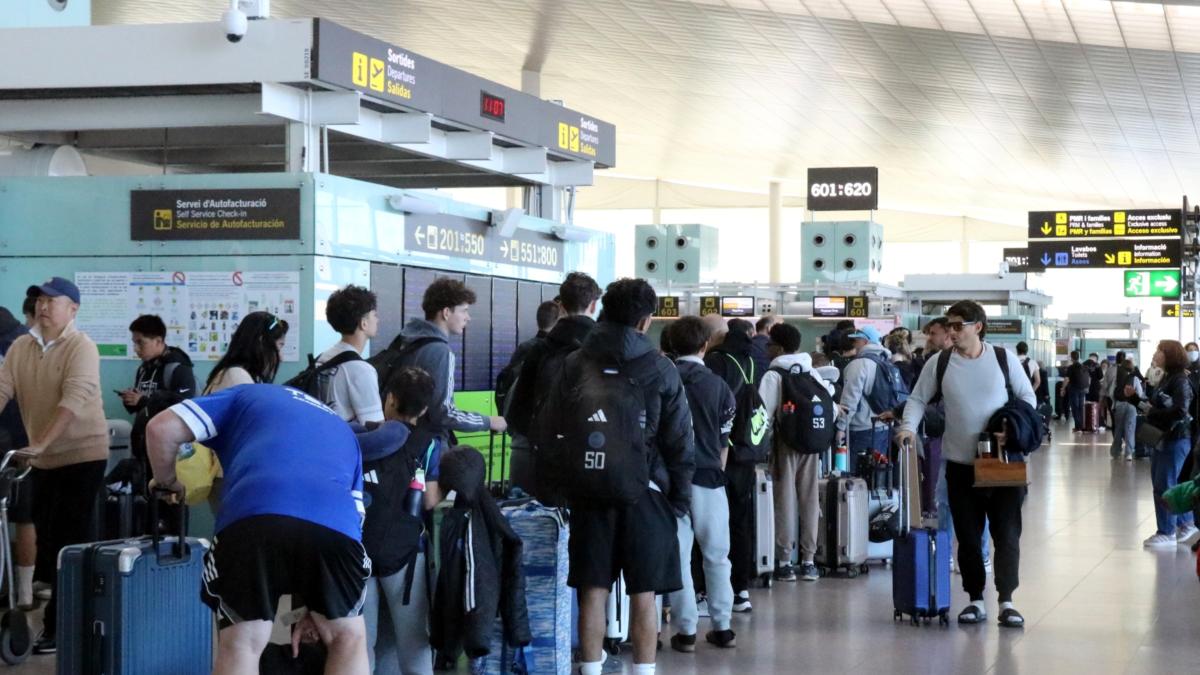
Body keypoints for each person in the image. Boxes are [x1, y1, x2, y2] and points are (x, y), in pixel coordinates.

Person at [144, 384, 370, 675]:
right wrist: (318, 603)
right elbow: (355, 520)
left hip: (251, 516)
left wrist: (167, 482)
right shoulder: (341, 429)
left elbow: (160, 429)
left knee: (243, 643)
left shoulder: (245, 395)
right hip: (335, 524)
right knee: (347, 637)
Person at [552, 278, 695, 675]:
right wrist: (679, 499)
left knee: (592, 592)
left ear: (603, 311)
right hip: (645, 493)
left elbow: (552, 429)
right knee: (643, 594)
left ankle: (592, 670)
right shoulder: (661, 368)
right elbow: (680, 439)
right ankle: (644, 670)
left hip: (589, 491)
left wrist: (565, 489)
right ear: (646, 321)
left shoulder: (575, 363)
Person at [898, 300, 1036, 628]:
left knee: (1006, 535)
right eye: (950, 325)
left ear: (978, 326)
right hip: (960, 465)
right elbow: (918, 398)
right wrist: (907, 427)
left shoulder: (1003, 359)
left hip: (1002, 463)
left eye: (959, 325)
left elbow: (1028, 398)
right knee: (969, 537)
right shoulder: (940, 362)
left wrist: (1010, 427)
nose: (952, 331)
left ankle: (1007, 600)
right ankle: (975, 599)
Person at [0, 278, 110, 653]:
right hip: (42, 459)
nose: (43, 306)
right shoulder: (21, 347)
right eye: (40, 300)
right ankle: (58, 615)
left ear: (72, 309)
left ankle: (60, 627)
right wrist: (39, 448)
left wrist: (42, 442)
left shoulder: (82, 346)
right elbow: (2, 389)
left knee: (68, 542)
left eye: (52, 300)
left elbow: (74, 397)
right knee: (47, 540)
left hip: (83, 455)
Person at [355, 367, 443, 675]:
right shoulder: (429, 444)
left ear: (389, 398)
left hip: (357, 553)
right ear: (424, 409)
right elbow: (430, 500)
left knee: (361, 647)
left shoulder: (359, 439)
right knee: (413, 644)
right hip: (405, 557)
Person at [665, 317, 737, 652]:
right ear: (705, 345)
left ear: (669, 346)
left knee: (679, 557)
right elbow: (724, 441)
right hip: (709, 478)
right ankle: (722, 626)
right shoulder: (719, 386)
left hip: (669, 481)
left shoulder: (663, 380)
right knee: (717, 555)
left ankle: (686, 631)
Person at [506, 272, 602, 495]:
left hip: (543, 455)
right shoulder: (602, 350)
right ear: (593, 305)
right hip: (591, 455)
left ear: (563, 306)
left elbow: (518, 410)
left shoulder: (539, 349)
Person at [759, 323, 835, 583]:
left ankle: (784, 562)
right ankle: (809, 561)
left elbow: (764, 414)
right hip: (811, 444)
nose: (767, 349)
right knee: (810, 499)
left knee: (785, 500)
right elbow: (829, 401)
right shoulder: (810, 370)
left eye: (769, 344)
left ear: (778, 347)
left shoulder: (774, 375)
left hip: (785, 443)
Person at [384, 278, 505, 439]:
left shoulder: (407, 339)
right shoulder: (441, 352)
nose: (468, 318)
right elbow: (444, 413)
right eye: (464, 310)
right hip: (426, 444)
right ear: (446, 313)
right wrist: (488, 421)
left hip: (401, 438)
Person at [703, 317, 759, 613]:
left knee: (710, 524)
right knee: (739, 522)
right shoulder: (750, 359)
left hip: (720, 451)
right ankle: (741, 590)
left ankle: (706, 591)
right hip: (746, 450)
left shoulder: (714, 362)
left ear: (712, 337)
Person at [1137, 341, 1199, 548]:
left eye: (1160, 351)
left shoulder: (1180, 379)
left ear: (1169, 355)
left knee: (1166, 483)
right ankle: (1184, 523)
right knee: (1165, 481)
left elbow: (1181, 410)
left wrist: (1153, 412)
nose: (1156, 354)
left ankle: (1167, 530)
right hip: (1165, 438)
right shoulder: (1167, 378)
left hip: (1176, 437)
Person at [120, 314, 196, 473]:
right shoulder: (143, 368)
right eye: (134, 343)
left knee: (166, 494)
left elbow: (184, 408)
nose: (136, 349)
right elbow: (142, 407)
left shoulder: (178, 367)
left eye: (141, 343)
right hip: (143, 446)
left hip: (169, 451)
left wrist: (143, 401)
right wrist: (131, 400)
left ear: (158, 341)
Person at [0, 306, 36, 610]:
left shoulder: (20, 345)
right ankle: (23, 593)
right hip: (26, 442)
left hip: (16, 442)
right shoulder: (26, 342)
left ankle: (16, 589)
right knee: (25, 517)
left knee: (22, 518)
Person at [316, 285, 384, 424]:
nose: (378, 320)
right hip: (346, 443)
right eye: (374, 315)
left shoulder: (322, 358)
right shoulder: (361, 370)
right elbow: (374, 427)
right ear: (363, 323)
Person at [837, 325, 896, 470]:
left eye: (856, 340)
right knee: (876, 475)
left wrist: (841, 427)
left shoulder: (858, 364)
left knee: (858, 478)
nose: (854, 344)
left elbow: (850, 399)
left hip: (862, 429)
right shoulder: (886, 362)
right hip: (884, 426)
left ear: (865, 341)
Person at [494, 300, 561, 415]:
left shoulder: (524, 347)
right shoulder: (557, 350)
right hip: (544, 418)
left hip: (520, 416)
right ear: (557, 322)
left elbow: (509, 379)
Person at [205, 311, 290, 393]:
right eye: (279, 348)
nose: (281, 358)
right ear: (261, 343)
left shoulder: (233, 372)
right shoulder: (238, 376)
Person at [1110, 357, 1143, 462]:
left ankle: (1116, 452)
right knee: (1130, 429)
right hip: (1132, 406)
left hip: (1120, 405)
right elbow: (1140, 393)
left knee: (1118, 429)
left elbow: (1112, 393)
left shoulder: (1118, 378)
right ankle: (1128, 453)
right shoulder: (1135, 378)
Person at [1065, 351, 1089, 432]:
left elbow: (1067, 379)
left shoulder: (1071, 367)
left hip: (1074, 389)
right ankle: (1082, 426)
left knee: (1075, 408)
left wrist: (1063, 388)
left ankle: (1078, 427)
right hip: (1083, 389)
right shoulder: (1084, 367)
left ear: (1072, 358)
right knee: (1081, 408)